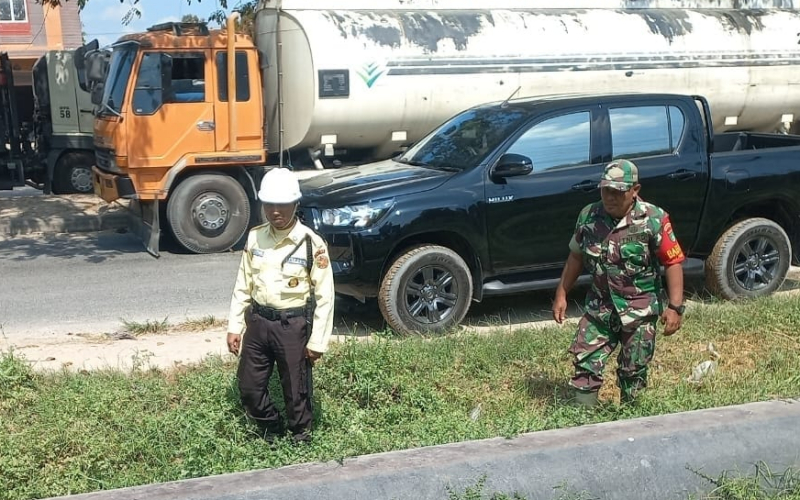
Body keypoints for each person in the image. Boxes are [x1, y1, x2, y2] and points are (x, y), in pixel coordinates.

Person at [552, 159, 686, 407]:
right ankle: (582, 419)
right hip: (600, 308)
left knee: (633, 368)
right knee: (585, 361)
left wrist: (675, 306)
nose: (610, 197)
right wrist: (562, 293)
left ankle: (629, 417)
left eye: (618, 192)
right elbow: (576, 256)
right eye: (606, 190)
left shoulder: (653, 219)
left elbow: (673, 261)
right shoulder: (589, 216)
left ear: (635, 190)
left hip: (640, 309)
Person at [226, 167, 335, 443]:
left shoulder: (312, 244)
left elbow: (325, 295)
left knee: (296, 388)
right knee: (249, 387)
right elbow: (243, 283)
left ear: (295, 204)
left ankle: (300, 435)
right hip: (259, 323)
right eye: (270, 204)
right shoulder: (255, 237)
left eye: (283, 204)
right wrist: (235, 326)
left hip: (292, 326)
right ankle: (271, 428)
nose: (276, 211)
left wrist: (317, 342)